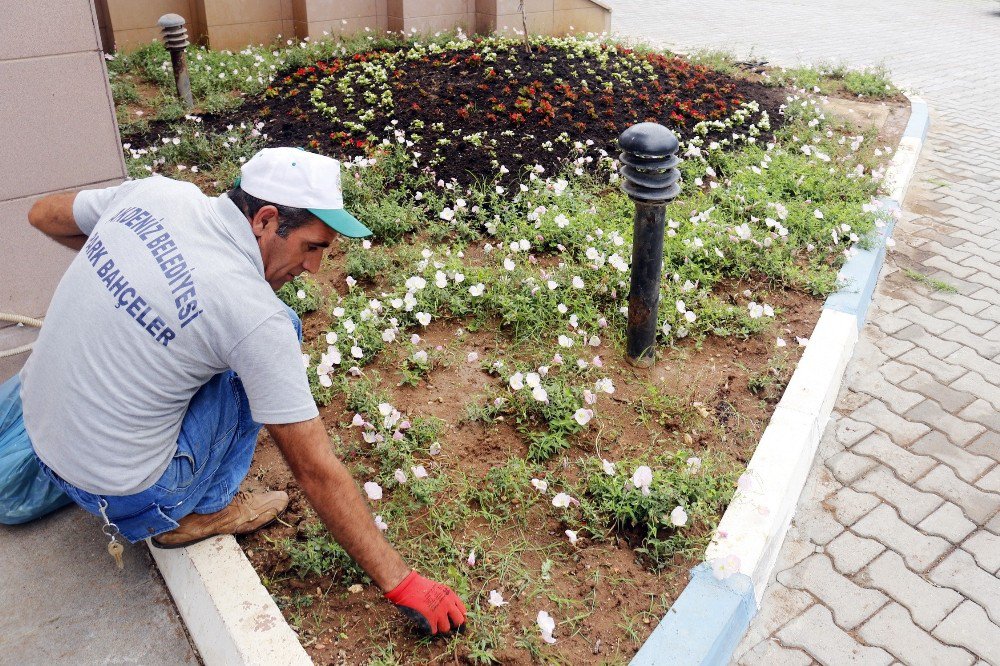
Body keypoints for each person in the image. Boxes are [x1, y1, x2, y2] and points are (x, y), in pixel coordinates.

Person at [17, 147, 466, 636]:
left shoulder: (156, 193)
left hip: (38, 431)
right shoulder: (254, 315)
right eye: (312, 246)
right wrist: (403, 583)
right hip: (128, 496)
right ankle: (204, 512)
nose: (314, 268)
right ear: (266, 220)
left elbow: (41, 214)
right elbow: (313, 470)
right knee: (262, 350)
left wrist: (138, 278)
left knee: (214, 346)